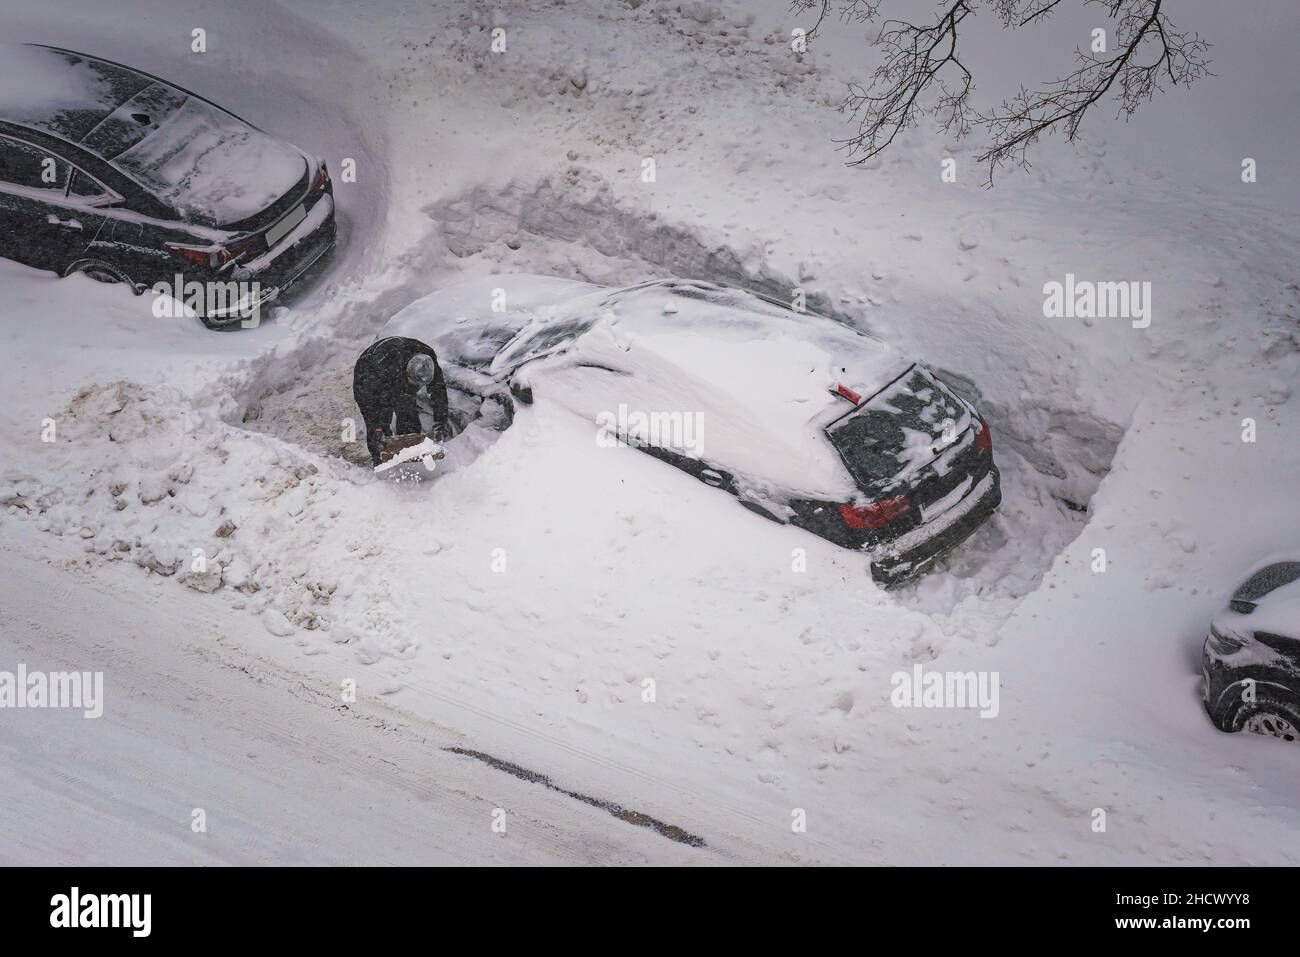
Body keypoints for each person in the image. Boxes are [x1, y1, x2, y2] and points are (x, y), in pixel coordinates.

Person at [352, 336, 452, 466]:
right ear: (407, 372)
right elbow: (367, 402)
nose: (416, 387)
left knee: (408, 412)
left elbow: (438, 392)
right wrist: (376, 427)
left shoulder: (428, 359)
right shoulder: (377, 369)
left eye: (419, 385)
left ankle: (411, 456)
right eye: (414, 383)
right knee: (381, 423)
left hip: (398, 365)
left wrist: (440, 421)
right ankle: (381, 462)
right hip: (369, 370)